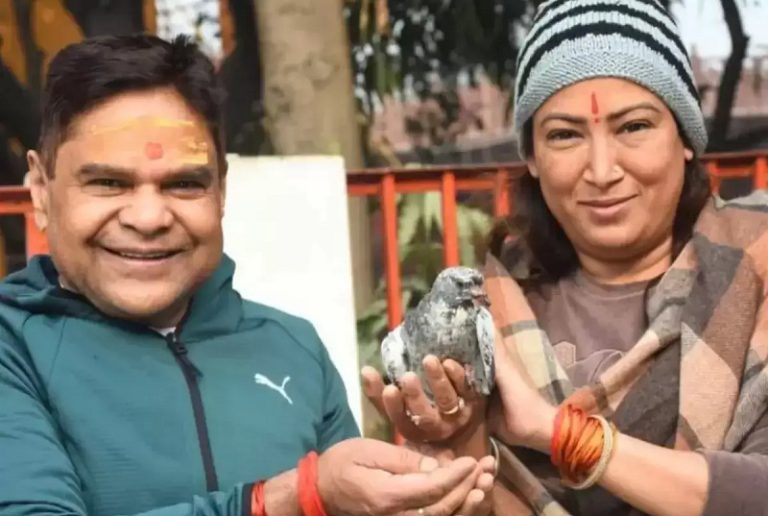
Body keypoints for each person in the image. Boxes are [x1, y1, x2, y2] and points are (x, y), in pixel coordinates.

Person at [0, 34, 496, 516]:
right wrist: (286, 500)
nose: (148, 218)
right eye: (108, 182)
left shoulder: (292, 347)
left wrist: (432, 489)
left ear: (221, 191)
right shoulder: (13, 347)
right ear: (41, 189)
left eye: (184, 183)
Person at [363, 1, 768, 514]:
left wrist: (556, 432)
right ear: (532, 156)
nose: (601, 170)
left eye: (633, 127)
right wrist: (459, 450)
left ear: (685, 138)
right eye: (565, 135)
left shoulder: (755, 272)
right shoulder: (488, 318)